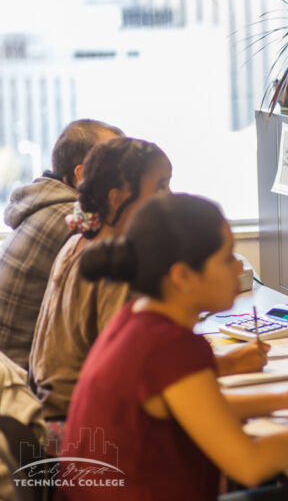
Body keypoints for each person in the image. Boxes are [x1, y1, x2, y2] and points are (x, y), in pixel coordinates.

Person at [57, 193, 288, 500]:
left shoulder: (135, 317)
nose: (237, 268)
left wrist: (285, 398)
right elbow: (250, 466)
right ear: (183, 276)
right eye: (226, 257)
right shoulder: (171, 346)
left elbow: (198, 408)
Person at [28, 138, 270, 421]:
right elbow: (138, 373)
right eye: (160, 186)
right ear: (117, 198)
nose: (169, 197)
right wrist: (226, 367)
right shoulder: (117, 271)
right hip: (80, 428)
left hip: (56, 416)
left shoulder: (84, 242)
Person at [0, 119, 123, 369]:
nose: (127, 176)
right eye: (118, 166)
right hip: (27, 386)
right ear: (82, 175)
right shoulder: (75, 221)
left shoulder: (43, 204)